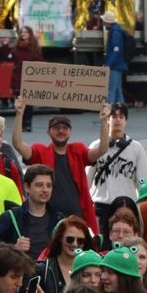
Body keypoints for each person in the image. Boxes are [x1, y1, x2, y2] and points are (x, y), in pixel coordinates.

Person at [12, 100, 99, 233]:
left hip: (78, 218)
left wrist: (104, 122)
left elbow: (102, 150)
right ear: (48, 132)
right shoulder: (40, 151)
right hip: (49, 221)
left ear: (70, 132)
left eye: (65, 128)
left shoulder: (78, 150)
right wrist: (19, 114)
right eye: (56, 128)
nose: (61, 131)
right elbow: (18, 144)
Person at [88, 103, 147, 231]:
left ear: (125, 120)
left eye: (121, 116)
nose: (117, 119)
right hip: (102, 206)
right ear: (108, 119)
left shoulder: (136, 148)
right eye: (114, 116)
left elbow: (144, 183)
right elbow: (85, 181)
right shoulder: (96, 146)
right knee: (101, 247)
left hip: (126, 206)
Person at [0, 164, 62, 260]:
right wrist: (14, 250)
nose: (45, 190)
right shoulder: (10, 217)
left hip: (50, 274)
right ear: (27, 187)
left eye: (49, 185)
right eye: (39, 185)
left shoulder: (59, 219)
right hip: (20, 273)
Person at [35, 215, 93, 293]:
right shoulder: (42, 270)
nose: (75, 244)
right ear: (60, 239)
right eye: (70, 239)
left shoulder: (93, 267)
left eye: (80, 241)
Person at [5, 27, 43, 131]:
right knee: (20, 102)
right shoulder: (16, 47)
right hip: (18, 77)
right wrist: (5, 45)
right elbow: (7, 57)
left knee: (28, 102)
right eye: (21, 32)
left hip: (29, 78)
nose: (23, 34)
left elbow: (40, 63)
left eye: (25, 32)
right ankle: (20, 124)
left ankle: (28, 124)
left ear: (30, 33)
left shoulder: (35, 48)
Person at [101, 11, 129, 105]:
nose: (103, 23)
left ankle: (108, 115)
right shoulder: (117, 31)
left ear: (108, 22)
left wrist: (108, 64)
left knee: (111, 91)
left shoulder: (115, 33)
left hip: (115, 66)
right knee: (117, 90)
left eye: (104, 21)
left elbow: (115, 50)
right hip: (118, 65)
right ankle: (122, 112)